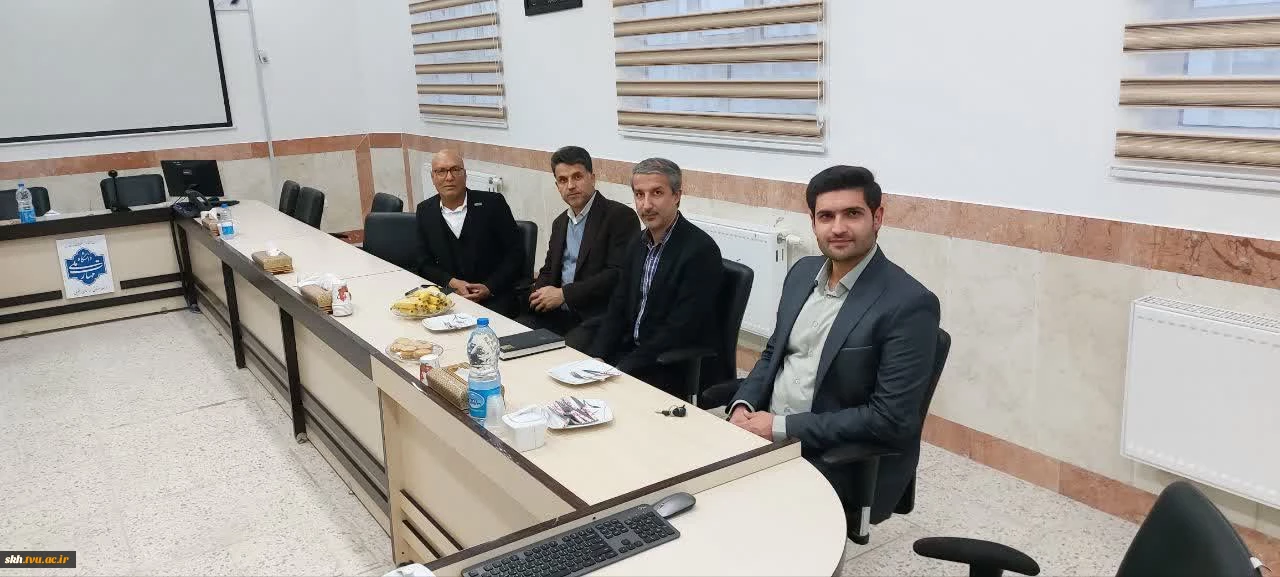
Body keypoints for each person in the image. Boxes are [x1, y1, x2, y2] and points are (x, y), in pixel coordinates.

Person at [726, 165, 941, 531]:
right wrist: (743, 405)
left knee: (738, 527)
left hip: (830, 454)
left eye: (852, 214)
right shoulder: (801, 274)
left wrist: (778, 426)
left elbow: (890, 419)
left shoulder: (909, 303)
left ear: (877, 217)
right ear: (813, 222)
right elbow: (774, 353)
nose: (838, 228)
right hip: (763, 431)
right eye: (826, 216)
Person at [586, 158, 722, 397]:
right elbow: (618, 306)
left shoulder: (700, 251)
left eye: (656, 193)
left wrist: (622, 367)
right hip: (634, 353)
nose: (646, 205)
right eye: (639, 195)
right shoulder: (637, 243)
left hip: (671, 365)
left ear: (677, 196)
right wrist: (598, 357)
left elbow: (680, 329)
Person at [518, 146, 637, 350]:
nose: (571, 186)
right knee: (513, 334)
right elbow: (549, 269)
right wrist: (538, 294)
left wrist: (564, 294)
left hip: (596, 317)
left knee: (565, 352)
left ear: (592, 178)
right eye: (563, 180)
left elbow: (616, 274)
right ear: (557, 186)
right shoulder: (560, 223)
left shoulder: (619, 216)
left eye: (577, 177)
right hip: (556, 313)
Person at [414, 149, 523, 317]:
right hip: (448, 297)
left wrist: (490, 287)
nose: (449, 177)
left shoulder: (493, 204)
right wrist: (451, 282)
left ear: (465, 174)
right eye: (441, 171)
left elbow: (516, 254)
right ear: (433, 177)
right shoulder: (425, 210)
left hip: (494, 297)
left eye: (455, 170)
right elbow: (423, 262)